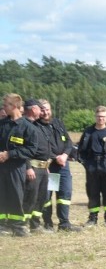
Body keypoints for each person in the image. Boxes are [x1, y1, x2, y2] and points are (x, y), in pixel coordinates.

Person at [37, 99, 83, 233]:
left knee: (65, 193)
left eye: (47, 109)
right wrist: (55, 157)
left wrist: (64, 155)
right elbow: (40, 148)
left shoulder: (58, 123)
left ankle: (64, 223)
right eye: (42, 110)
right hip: (48, 166)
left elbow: (68, 142)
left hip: (63, 165)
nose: (45, 112)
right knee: (47, 196)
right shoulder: (36, 126)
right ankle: (47, 223)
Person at [0, 93, 40, 237]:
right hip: (1, 167)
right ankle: (2, 225)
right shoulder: (2, 124)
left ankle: (17, 226)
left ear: (14, 106)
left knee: (16, 195)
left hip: (16, 167)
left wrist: (9, 154)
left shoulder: (28, 128)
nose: (3, 107)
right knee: (2, 195)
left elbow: (31, 149)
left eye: (6, 105)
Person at [78, 106, 106, 227]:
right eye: (98, 116)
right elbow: (81, 150)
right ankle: (92, 218)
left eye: (103, 117)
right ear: (95, 117)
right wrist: (86, 164)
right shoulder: (88, 132)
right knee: (92, 192)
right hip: (92, 165)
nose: (101, 119)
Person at [21, 98, 51, 234]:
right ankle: (22, 225)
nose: (42, 112)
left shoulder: (37, 125)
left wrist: (46, 165)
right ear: (34, 109)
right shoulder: (24, 125)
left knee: (41, 197)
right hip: (33, 167)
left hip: (43, 168)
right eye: (40, 109)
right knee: (30, 197)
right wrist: (28, 167)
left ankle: (35, 224)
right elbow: (22, 148)